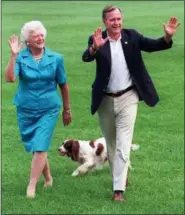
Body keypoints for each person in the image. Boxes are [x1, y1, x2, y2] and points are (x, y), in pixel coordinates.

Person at [82, 5, 180, 201]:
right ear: (105, 22)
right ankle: (119, 176)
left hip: (129, 97)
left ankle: (118, 190)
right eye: (112, 20)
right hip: (105, 100)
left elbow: (153, 45)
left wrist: (167, 37)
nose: (117, 22)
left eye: (119, 18)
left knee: (123, 144)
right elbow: (86, 56)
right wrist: (95, 48)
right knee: (111, 143)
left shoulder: (132, 36)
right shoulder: (98, 38)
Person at [5, 20, 72, 199]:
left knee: (41, 146)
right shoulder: (21, 57)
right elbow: (10, 78)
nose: (40, 38)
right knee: (36, 147)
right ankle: (48, 177)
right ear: (28, 40)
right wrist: (13, 56)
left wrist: (67, 110)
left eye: (42, 35)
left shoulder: (56, 58)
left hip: (49, 109)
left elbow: (64, 85)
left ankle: (31, 186)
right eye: (36, 36)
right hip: (26, 109)